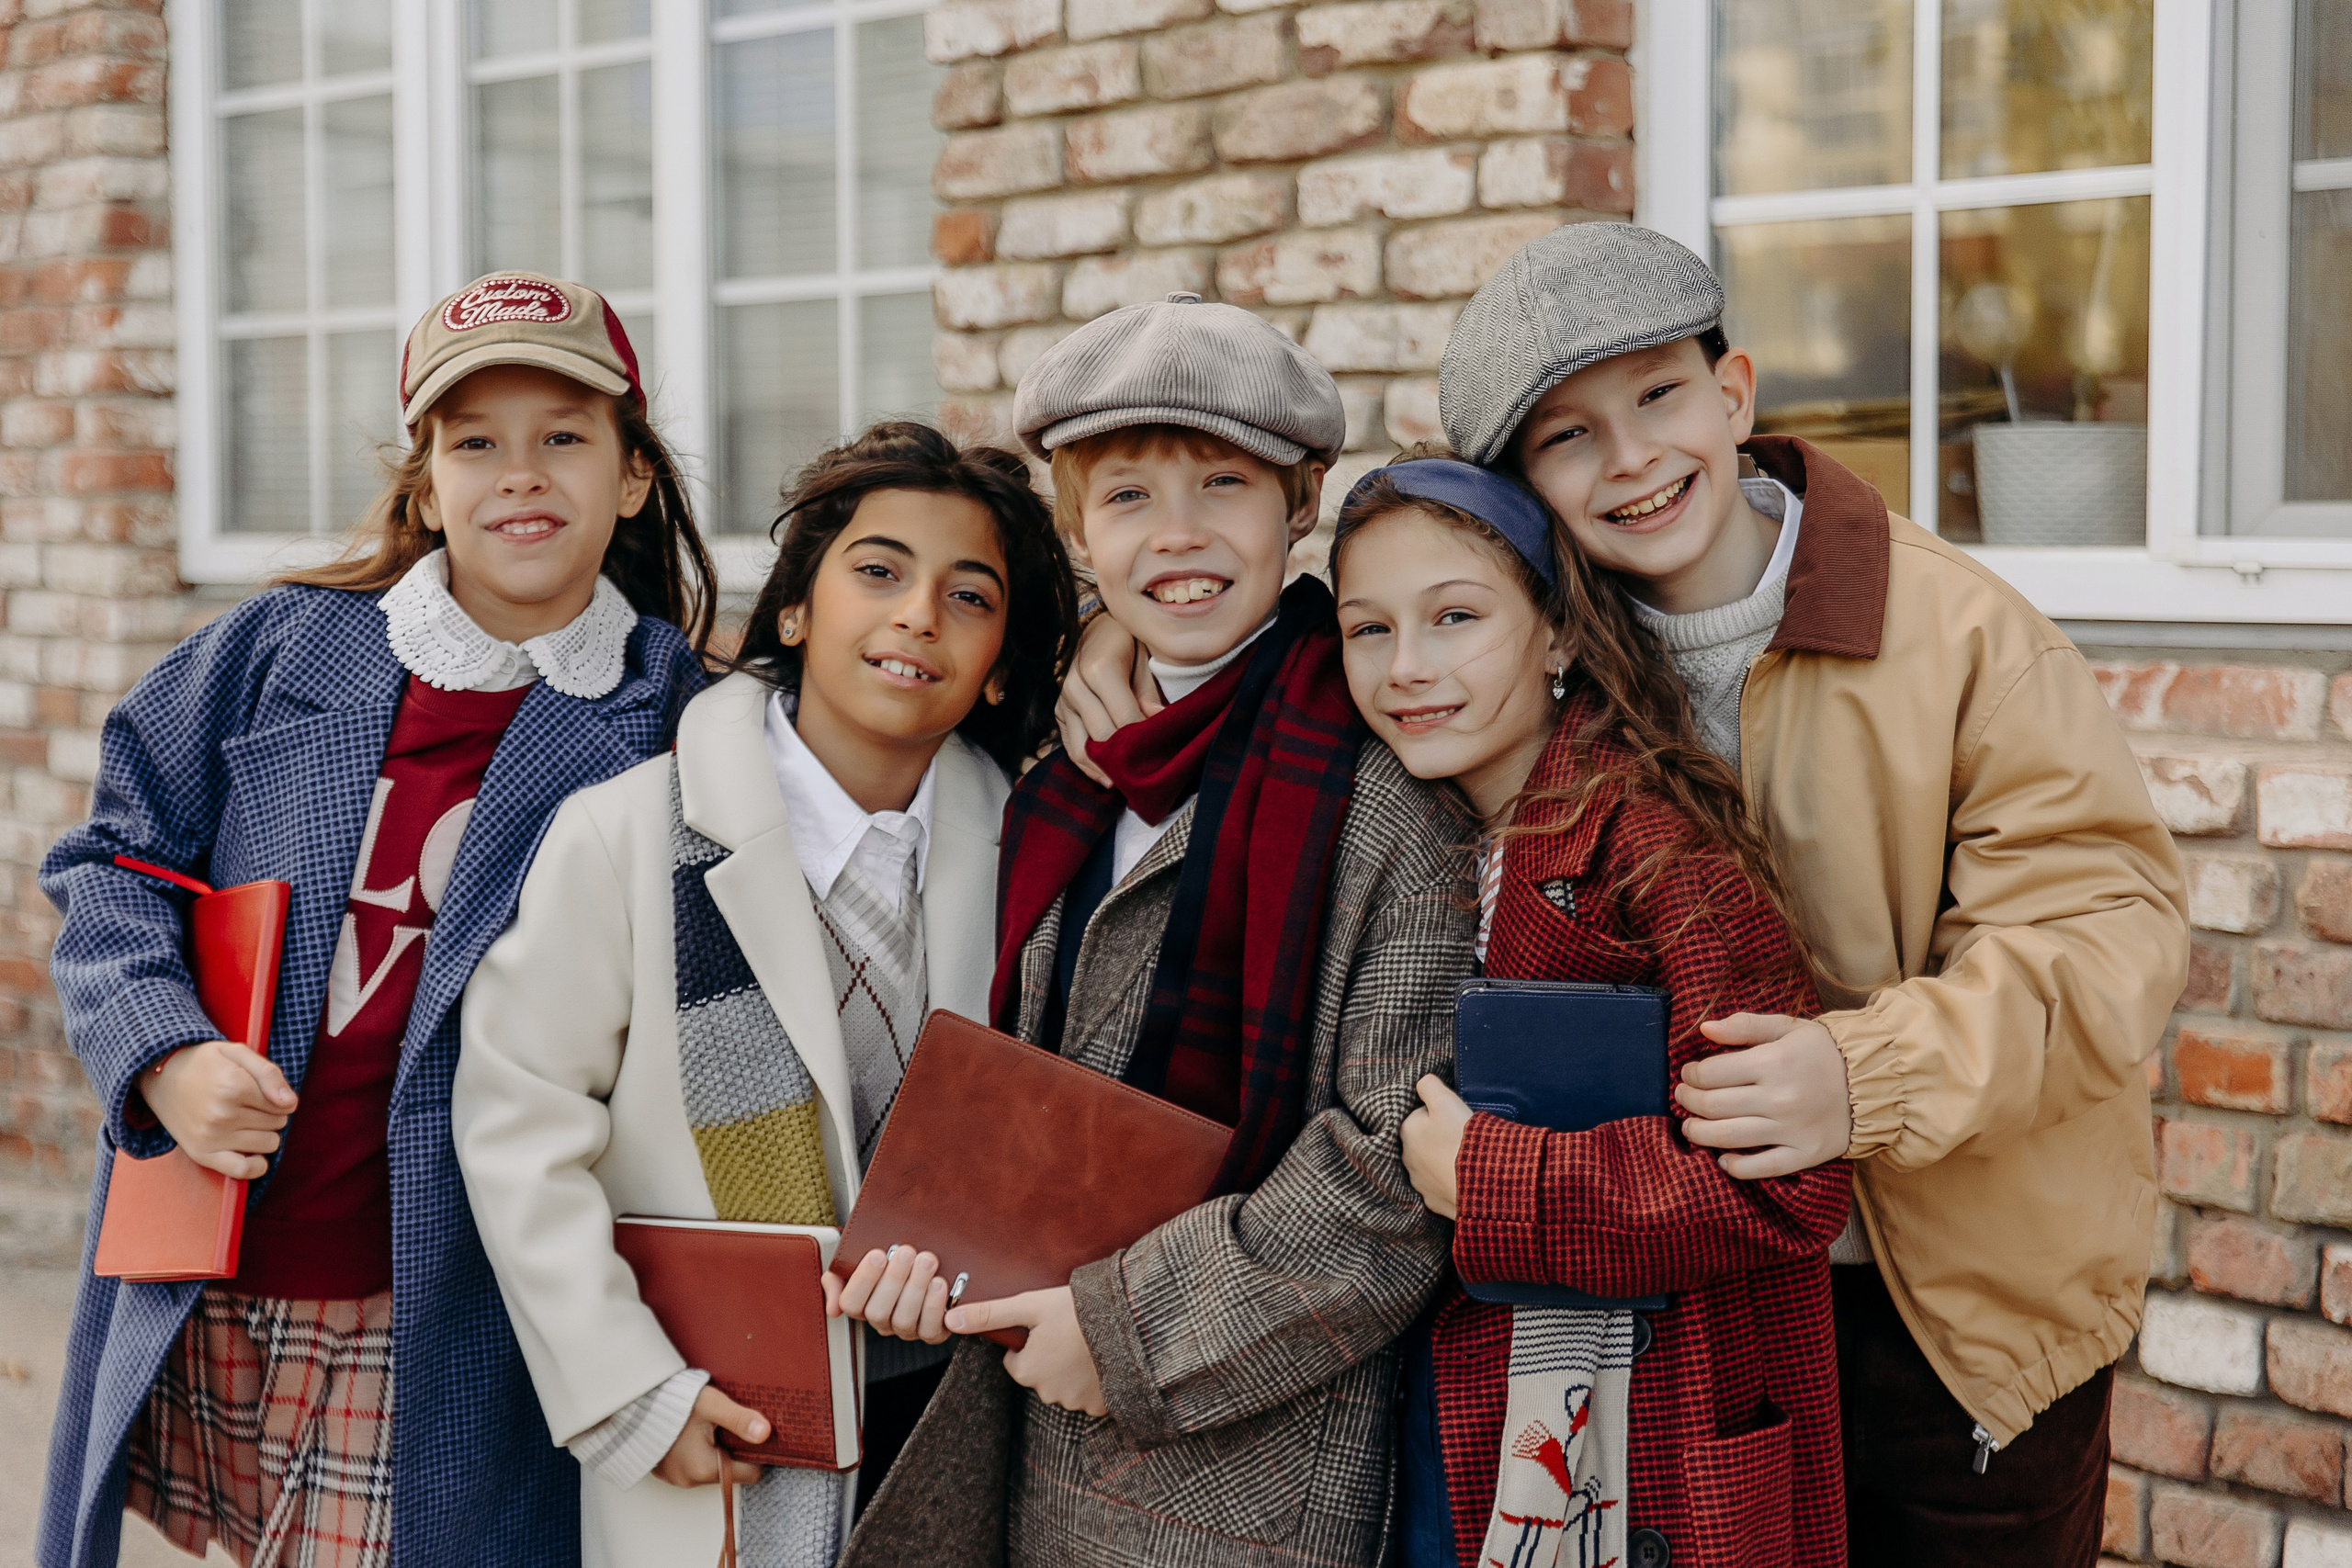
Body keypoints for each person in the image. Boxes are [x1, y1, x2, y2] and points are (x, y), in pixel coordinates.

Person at [1436, 222, 2188, 1565]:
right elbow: (1369, 646)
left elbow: (2104, 933)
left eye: (1660, 395)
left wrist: (1866, 1076)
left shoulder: (1960, 631)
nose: (1631, 460)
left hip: (1953, 1319)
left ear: (1735, 393)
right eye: (1568, 437)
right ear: (1524, 486)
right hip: (1697, 1298)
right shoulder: (1543, 664)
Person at [38, 271, 716, 1568]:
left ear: (632, 475)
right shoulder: (280, 647)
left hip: (435, 1293)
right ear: (424, 484)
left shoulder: (674, 718)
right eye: (477, 443)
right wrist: (164, 1051)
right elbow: (111, 858)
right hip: (218, 1255)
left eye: (564, 436)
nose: (521, 474)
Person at [842, 293, 1478, 1568]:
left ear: (1300, 504)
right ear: (1076, 530)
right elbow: (1011, 1089)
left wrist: (1128, 1328)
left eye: (1224, 485)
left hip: (1240, 1475)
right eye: (1127, 497)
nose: (1177, 536)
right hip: (1019, 1436)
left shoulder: (1387, 793)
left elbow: (1389, 1181)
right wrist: (927, 1253)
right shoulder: (1062, 775)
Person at [451, 423, 1076, 1567]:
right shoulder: (630, 834)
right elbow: (517, 1125)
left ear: (1000, 653)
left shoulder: (1039, 856)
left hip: (956, 1423)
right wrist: (630, 1392)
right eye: (878, 571)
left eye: (970, 596)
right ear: (795, 608)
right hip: (717, 1418)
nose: (917, 615)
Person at [1329, 453, 1848, 1568]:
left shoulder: (1660, 852)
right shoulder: (1414, 829)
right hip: (1460, 1416)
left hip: (1644, 1441)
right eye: (1367, 630)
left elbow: (1789, 1186)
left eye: (1454, 616)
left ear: (1560, 633)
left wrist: (1496, 1182)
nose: (1407, 668)